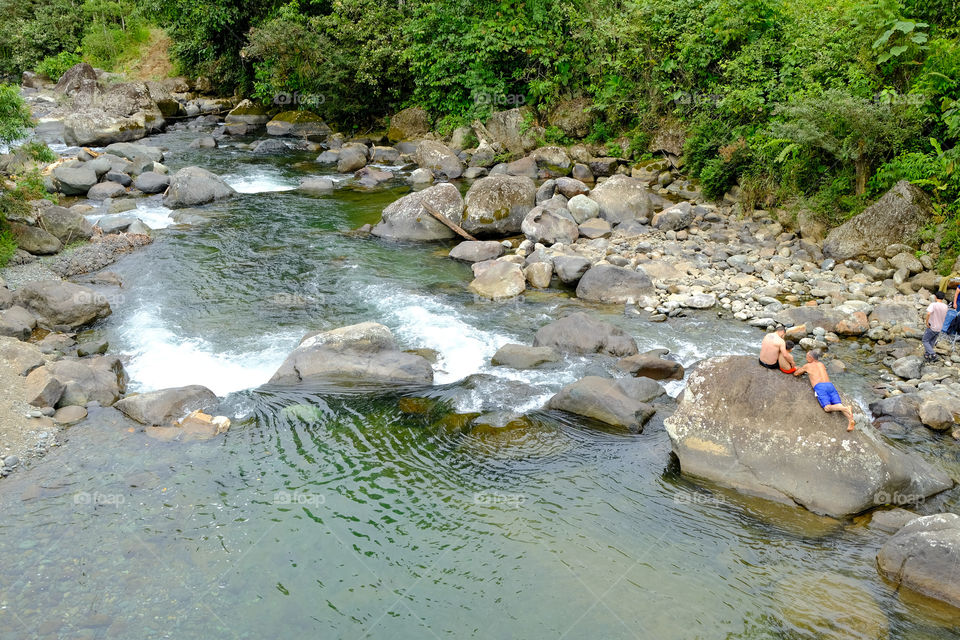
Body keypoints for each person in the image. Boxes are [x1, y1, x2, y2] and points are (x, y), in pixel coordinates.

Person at [794, 351, 856, 431]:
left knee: (827, 408)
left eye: (807, 357)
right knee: (838, 405)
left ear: (811, 358)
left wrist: (799, 369)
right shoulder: (821, 364)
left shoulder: (807, 366)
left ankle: (846, 408)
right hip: (830, 386)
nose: (806, 358)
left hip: (820, 387)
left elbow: (796, 373)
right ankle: (850, 420)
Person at [924, 291, 948, 363]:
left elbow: (928, 313)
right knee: (932, 341)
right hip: (939, 327)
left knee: (925, 340)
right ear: (943, 298)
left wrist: (927, 322)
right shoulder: (945, 306)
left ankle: (933, 354)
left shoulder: (933, 304)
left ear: (935, 297)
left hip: (932, 326)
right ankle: (927, 355)